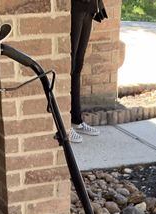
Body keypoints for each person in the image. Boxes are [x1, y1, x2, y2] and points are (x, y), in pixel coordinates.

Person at [70, 0, 106, 143]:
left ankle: (76, 120)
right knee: (69, 66)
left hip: (89, 7)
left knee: (78, 66)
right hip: (75, 7)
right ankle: (65, 125)